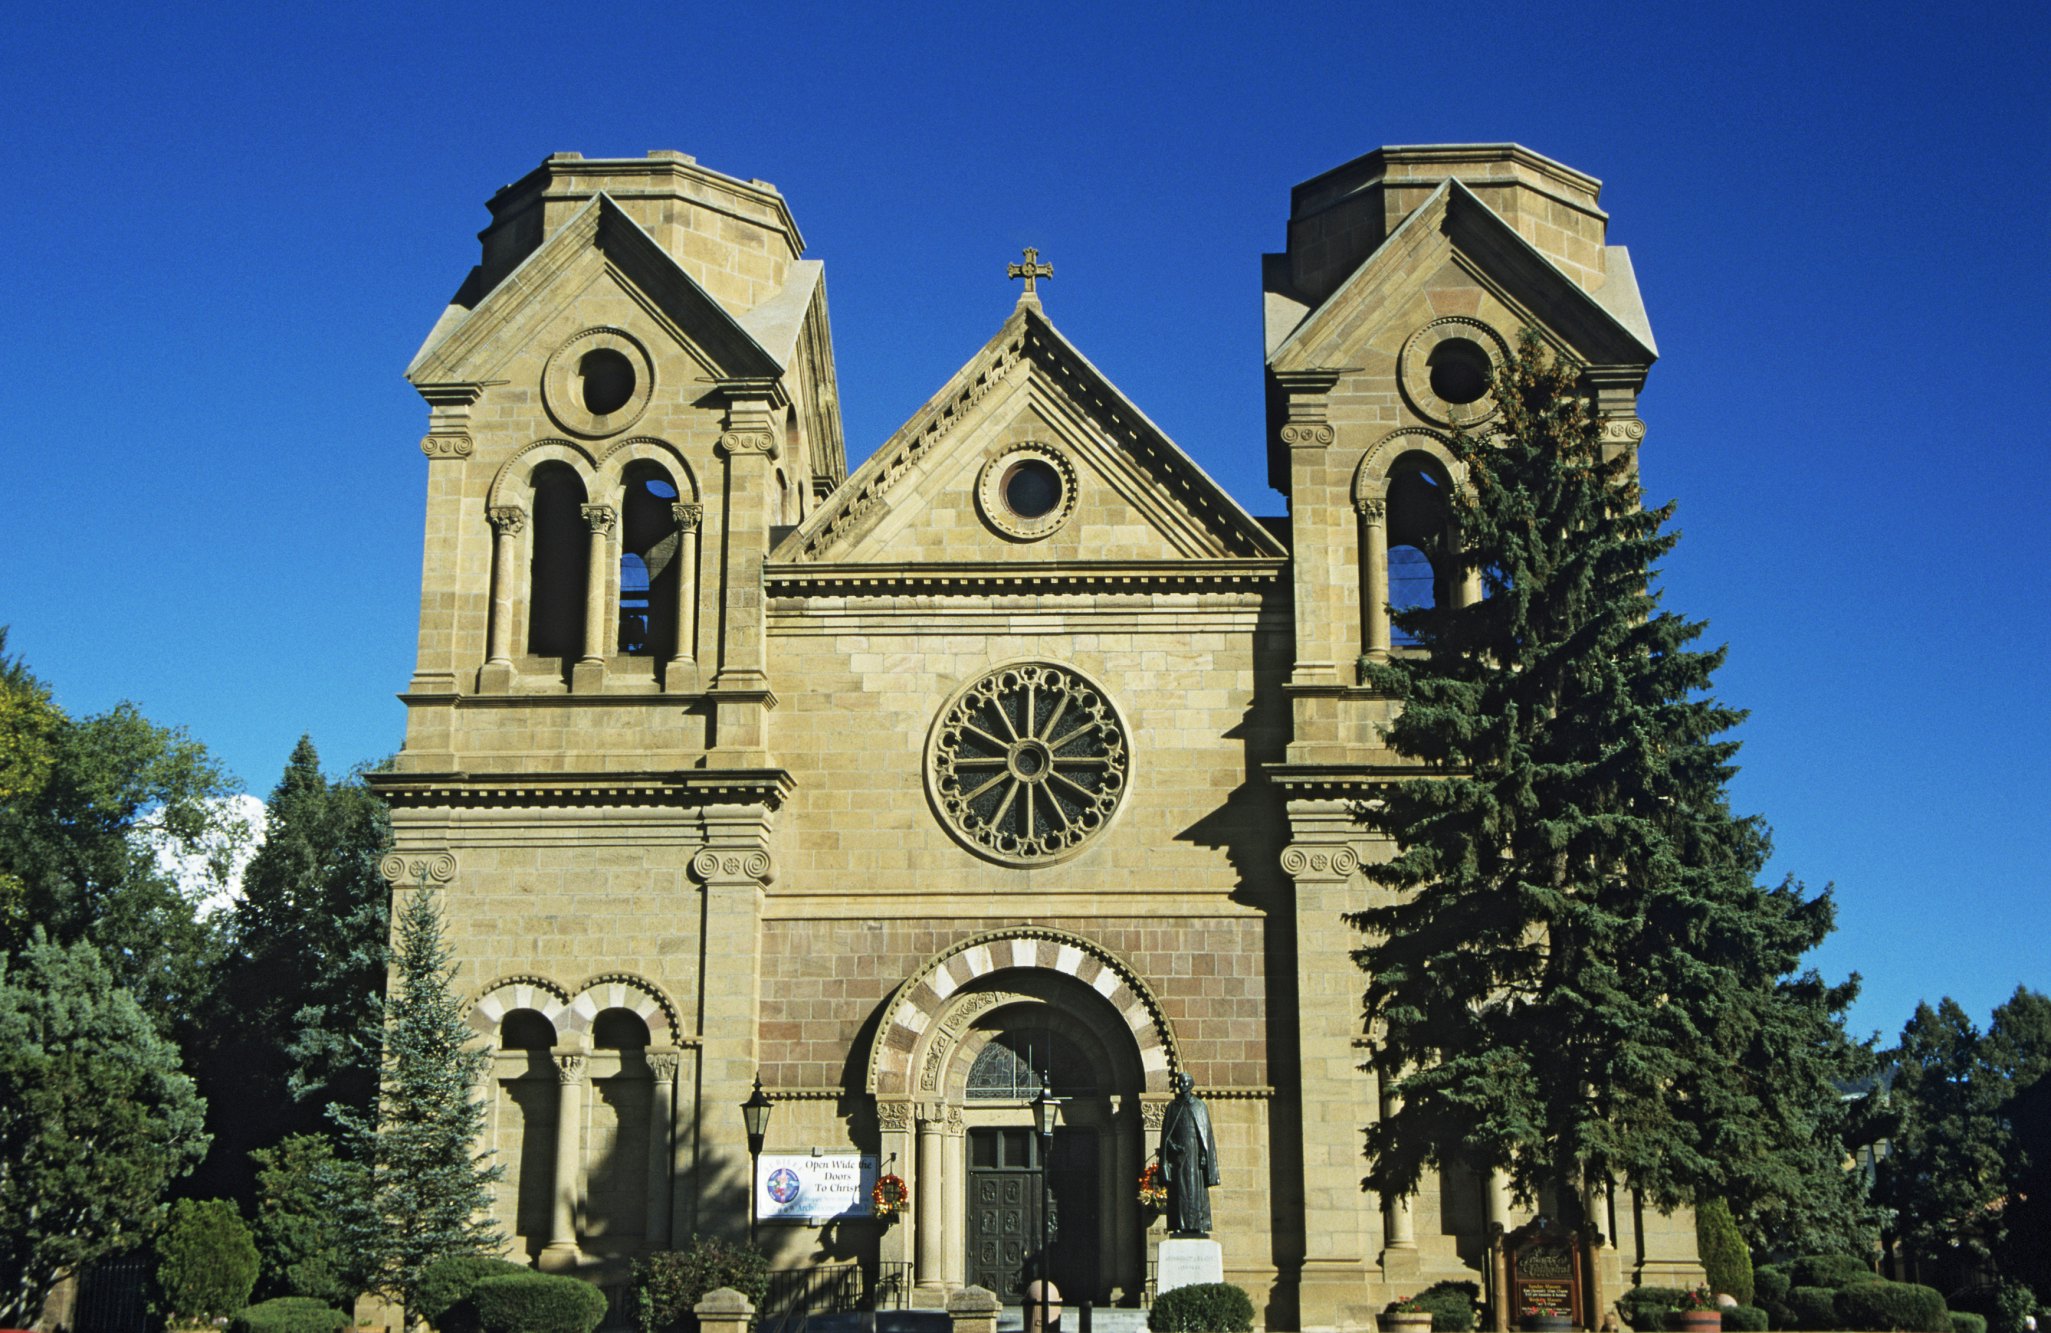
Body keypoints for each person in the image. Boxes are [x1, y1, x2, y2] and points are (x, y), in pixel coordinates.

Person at [1158, 1072, 1221, 1235]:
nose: (1181, 1085)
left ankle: (1198, 1224)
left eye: (1185, 1082)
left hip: (1194, 1153)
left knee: (1196, 1189)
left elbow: (1205, 1135)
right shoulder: (1172, 1107)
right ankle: (1179, 1224)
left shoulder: (1199, 1106)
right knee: (1179, 1191)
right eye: (1179, 1082)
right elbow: (1166, 1135)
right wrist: (1172, 1146)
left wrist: (1203, 1154)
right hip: (1179, 1156)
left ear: (1191, 1085)